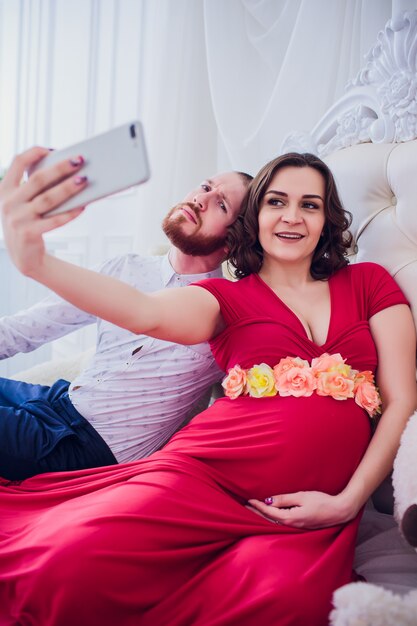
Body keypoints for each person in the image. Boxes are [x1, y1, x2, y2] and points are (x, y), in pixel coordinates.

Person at [0, 150, 416, 626]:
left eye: (311, 204)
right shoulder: (225, 296)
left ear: (327, 219)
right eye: (277, 201)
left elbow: (402, 398)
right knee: (65, 567)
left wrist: (349, 501)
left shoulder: (369, 284)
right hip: (200, 473)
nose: (292, 216)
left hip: (304, 512)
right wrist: (37, 263)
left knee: (286, 603)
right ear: (256, 218)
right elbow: (144, 312)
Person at [0, 146, 251, 480]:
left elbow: (248, 411)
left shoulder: (225, 314)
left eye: (221, 204)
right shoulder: (125, 268)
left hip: (86, 449)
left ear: (236, 239)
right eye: (206, 187)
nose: (201, 199)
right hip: (61, 399)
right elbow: (28, 329)